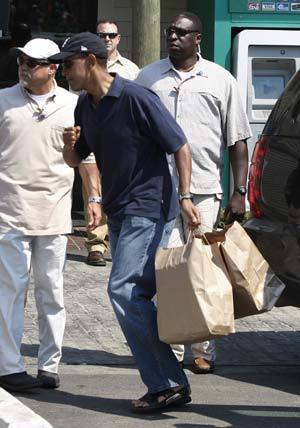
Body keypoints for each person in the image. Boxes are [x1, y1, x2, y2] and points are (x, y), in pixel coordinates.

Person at [50, 32, 200, 413]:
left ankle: (167, 382)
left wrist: (185, 197)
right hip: (119, 209)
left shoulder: (136, 97)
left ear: (91, 61)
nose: (62, 70)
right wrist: (71, 148)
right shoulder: (86, 105)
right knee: (137, 295)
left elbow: (179, 144)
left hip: (149, 207)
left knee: (124, 291)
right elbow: (77, 159)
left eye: (68, 64)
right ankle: (168, 380)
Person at [136, 12, 251, 374]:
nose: (173, 37)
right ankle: (169, 342)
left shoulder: (220, 80)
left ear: (198, 38)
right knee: (167, 272)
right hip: (159, 190)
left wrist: (240, 191)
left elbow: (238, 140)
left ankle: (202, 350)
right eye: (170, 31)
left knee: (203, 271)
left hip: (203, 190)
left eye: (181, 33)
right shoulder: (148, 77)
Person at [0, 38, 78, 392]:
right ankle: (9, 366)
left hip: (55, 212)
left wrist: (94, 200)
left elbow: (87, 159)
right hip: (9, 211)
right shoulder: (2, 101)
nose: (25, 67)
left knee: (52, 291)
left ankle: (50, 364)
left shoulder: (74, 105)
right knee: (10, 291)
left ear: (53, 67)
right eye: (22, 61)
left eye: (34, 63)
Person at [79, 20, 140, 267]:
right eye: (101, 34)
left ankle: (119, 242)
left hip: (122, 141)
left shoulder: (132, 70)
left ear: (118, 38)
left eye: (111, 35)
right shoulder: (84, 66)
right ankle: (95, 243)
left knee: (120, 189)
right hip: (94, 138)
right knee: (92, 189)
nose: (106, 38)